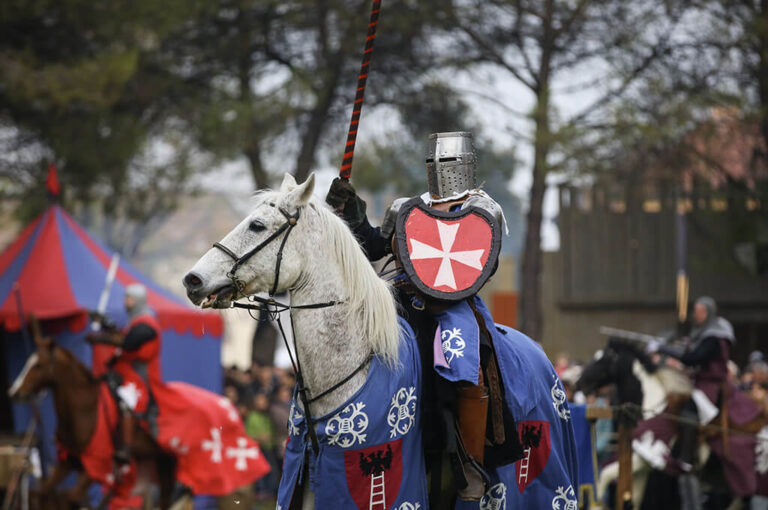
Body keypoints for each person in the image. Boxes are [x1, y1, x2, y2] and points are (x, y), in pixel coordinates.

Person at [327, 132, 575, 504]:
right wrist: (354, 216)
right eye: (434, 163)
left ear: (468, 164)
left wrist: (441, 291)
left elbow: (481, 266)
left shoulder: (483, 209)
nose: (442, 171)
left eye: (449, 163)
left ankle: (470, 459)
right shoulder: (408, 208)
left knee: (467, 365)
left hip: (453, 307)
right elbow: (376, 247)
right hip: (398, 298)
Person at [650, 296, 762, 501]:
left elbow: (694, 358)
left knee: (689, 410)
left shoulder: (714, 338)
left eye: (699, 311)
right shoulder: (702, 335)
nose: (695, 315)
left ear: (708, 313)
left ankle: (686, 458)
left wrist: (664, 349)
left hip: (710, 388)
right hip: (699, 383)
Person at [86, 283, 164, 465]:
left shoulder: (147, 323)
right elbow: (123, 336)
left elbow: (129, 342)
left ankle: (126, 447)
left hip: (139, 375)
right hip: (124, 371)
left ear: (137, 301)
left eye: (129, 299)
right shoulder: (135, 322)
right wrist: (107, 325)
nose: (126, 302)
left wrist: (101, 337)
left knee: (127, 401)